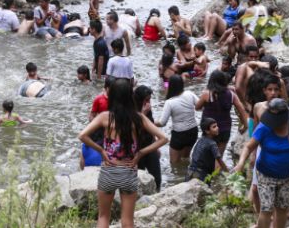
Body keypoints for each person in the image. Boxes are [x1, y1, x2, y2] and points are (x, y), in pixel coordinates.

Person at [78, 78, 168, 228]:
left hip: (109, 171)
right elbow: (164, 138)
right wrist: (140, 154)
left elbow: (82, 136)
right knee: (127, 221)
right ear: (130, 96)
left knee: (103, 216)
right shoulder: (138, 118)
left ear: (112, 95)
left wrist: (101, 150)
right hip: (129, 171)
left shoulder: (105, 117)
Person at [234, 98, 289, 228]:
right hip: (266, 175)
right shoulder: (264, 127)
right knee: (266, 209)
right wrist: (240, 163)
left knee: (282, 209)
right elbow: (248, 147)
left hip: (288, 176)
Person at [196, 70, 248, 156]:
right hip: (225, 129)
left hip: (209, 129)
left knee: (207, 155)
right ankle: (218, 169)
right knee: (219, 156)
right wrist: (245, 126)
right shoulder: (231, 95)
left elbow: (197, 107)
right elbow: (242, 110)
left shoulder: (207, 94)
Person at [156, 74, 199, 164]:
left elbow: (162, 123)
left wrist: (150, 122)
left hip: (179, 135)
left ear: (171, 86)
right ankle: (187, 175)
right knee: (186, 159)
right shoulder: (190, 94)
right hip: (193, 131)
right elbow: (200, 106)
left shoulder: (170, 102)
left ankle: (177, 177)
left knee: (174, 163)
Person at [133, 85, 162, 191]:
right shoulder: (131, 109)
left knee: (157, 178)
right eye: (146, 100)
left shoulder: (148, 109)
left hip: (150, 146)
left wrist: (156, 145)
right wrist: (143, 113)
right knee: (139, 180)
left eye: (150, 99)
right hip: (136, 149)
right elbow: (134, 130)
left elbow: (151, 127)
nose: (148, 103)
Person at [186, 117, 228, 184]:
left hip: (190, 172)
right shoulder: (212, 144)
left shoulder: (200, 140)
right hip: (201, 176)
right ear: (207, 131)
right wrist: (228, 173)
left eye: (217, 126)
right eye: (214, 127)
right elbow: (220, 160)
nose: (217, 128)